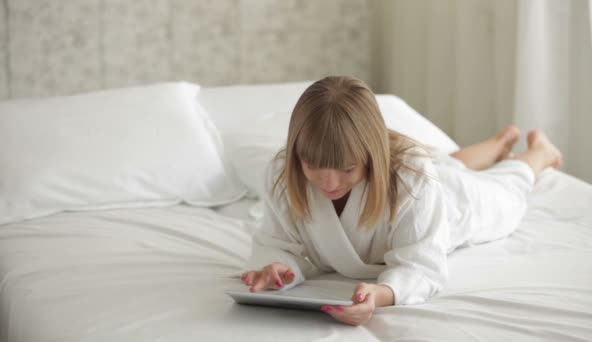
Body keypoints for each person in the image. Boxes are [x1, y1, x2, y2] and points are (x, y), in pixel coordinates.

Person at [239, 76, 563, 326]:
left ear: (370, 155)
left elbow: (420, 265)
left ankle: (539, 153)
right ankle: (496, 144)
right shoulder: (285, 173)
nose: (329, 183)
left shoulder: (412, 177)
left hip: (449, 201)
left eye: (347, 169)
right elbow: (277, 241)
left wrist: (380, 295)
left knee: (503, 195)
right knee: (446, 162)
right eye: (312, 166)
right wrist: (278, 268)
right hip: (422, 172)